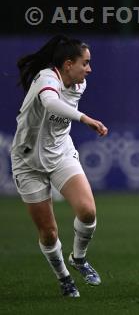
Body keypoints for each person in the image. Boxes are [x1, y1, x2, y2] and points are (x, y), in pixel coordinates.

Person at [11, 35, 108, 297]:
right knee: (49, 232)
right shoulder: (46, 78)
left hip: (60, 154)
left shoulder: (80, 85)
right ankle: (64, 277)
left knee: (87, 211)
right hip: (27, 161)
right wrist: (85, 118)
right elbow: (51, 103)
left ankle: (79, 258)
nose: (88, 69)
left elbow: (59, 110)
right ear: (68, 64)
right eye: (85, 63)